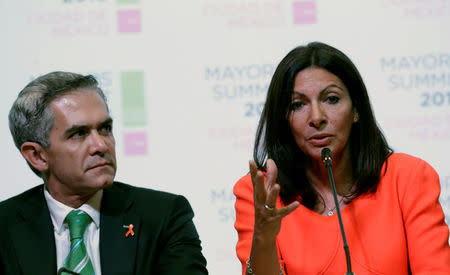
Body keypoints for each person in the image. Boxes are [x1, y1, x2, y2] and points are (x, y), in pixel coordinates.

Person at [233, 42, 450, 274]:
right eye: (298, 104)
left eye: (332, 99)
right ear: (284, 119)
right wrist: (263, 238)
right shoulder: (259, 192)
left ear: (356, 109)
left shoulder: (407, 177)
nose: (317, 117)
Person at [0, 71, 208, 275]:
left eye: (105, 129)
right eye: (79, 134)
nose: (100, 145)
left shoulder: (162, 217)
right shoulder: (5, 227)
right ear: (37, 156)